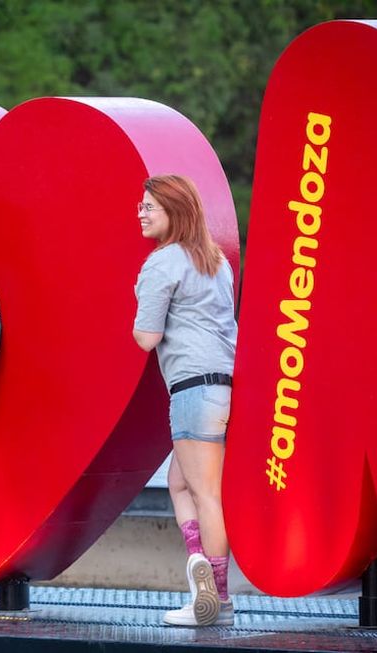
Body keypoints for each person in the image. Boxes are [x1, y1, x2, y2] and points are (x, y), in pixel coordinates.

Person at [132, 174, 237, 627]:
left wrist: (140, 294)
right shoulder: (216, 261)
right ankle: (203, 580)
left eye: (149, 205)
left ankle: (219, 603)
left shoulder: (162, 263)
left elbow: (145, 336)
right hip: (224, 386)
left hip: (192, 389)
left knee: (206, 494)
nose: (140, 211)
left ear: (173, 211)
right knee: (179, 483)